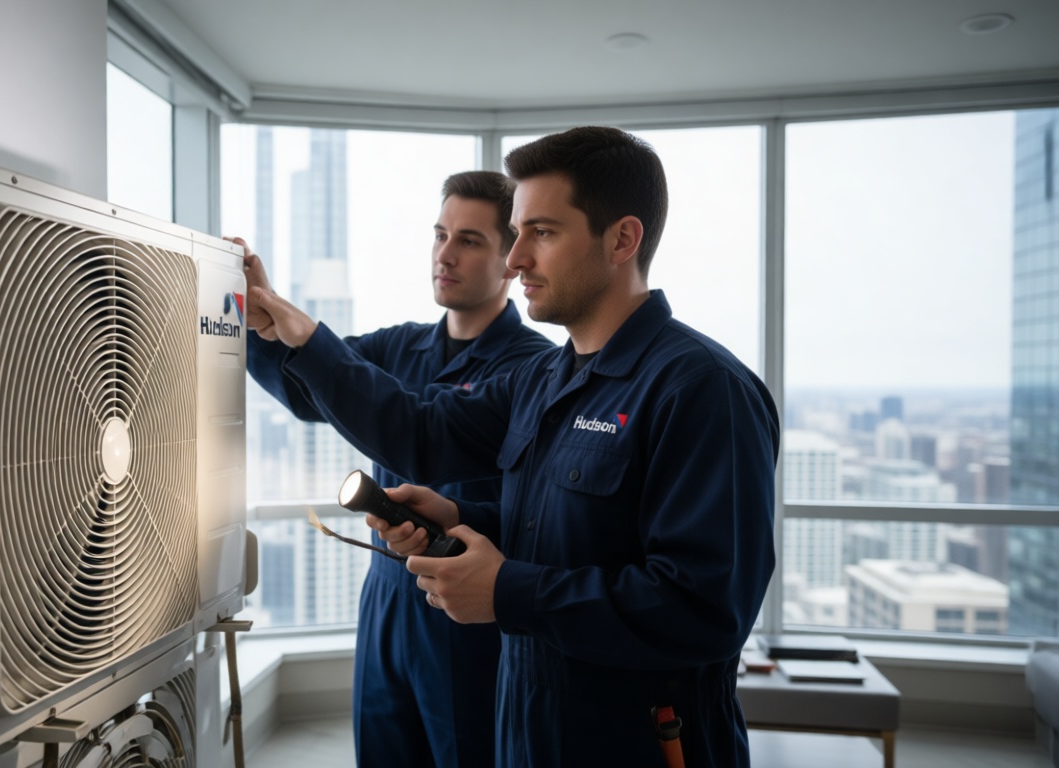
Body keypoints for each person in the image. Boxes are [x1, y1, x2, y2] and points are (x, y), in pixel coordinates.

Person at [243, 127, 780, 767]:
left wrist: (507, 592)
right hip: (526, 716)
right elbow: (425, 433)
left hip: (639, 737)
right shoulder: (545, 379)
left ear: (622, 240)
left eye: (542, 233)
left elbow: (703, 608)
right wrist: (462, 518)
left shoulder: (702, 390)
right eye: (518, 232)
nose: (516, 258)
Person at [234, 170, 554, 768]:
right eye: (440, 235)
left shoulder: (535, 369)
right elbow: (311, 389)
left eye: (469, 240)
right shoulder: (400, 346)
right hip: (386, 592)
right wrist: (258, 317)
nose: (445, 254)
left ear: (511, 259)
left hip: (462, 608)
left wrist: (302, 332)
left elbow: (417, 430)